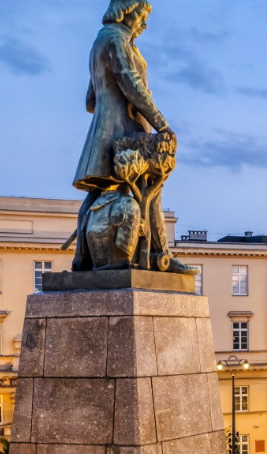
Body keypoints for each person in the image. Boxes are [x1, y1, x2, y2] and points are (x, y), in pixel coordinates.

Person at [73, 0, 194, 275]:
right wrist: (162, 125)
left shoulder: (101, 41)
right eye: (141, 15)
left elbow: (90, 101)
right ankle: (159, 255)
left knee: (98, 193)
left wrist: (108, 97)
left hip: (102, 130)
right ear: (126, 10)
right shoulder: (117, 40)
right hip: (124, 129)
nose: (144, 23)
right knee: (150, 189)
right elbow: (133, 87)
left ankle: (82, 256)